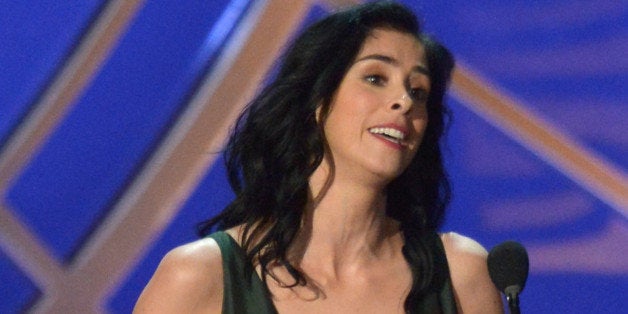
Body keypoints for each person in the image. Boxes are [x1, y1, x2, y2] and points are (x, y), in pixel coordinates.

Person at [134, 1, 502, 313]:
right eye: (375, 77)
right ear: (317, 101)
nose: (404, 101)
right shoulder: (199, 277)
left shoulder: (460, 275)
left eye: (418, 91)